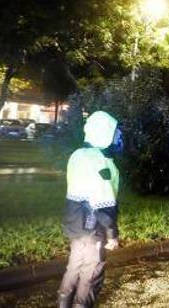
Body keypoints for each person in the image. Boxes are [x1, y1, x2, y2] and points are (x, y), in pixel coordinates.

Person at [58, 111, 123, 308]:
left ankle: (63, 303)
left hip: (74, 222)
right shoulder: (99, 161)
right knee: (92, 273)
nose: (119, 137)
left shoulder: (78, 155)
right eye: (115, 133)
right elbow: (103, 202)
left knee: (74, 266)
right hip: (92, 224)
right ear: (104, 134)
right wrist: (112, 234)